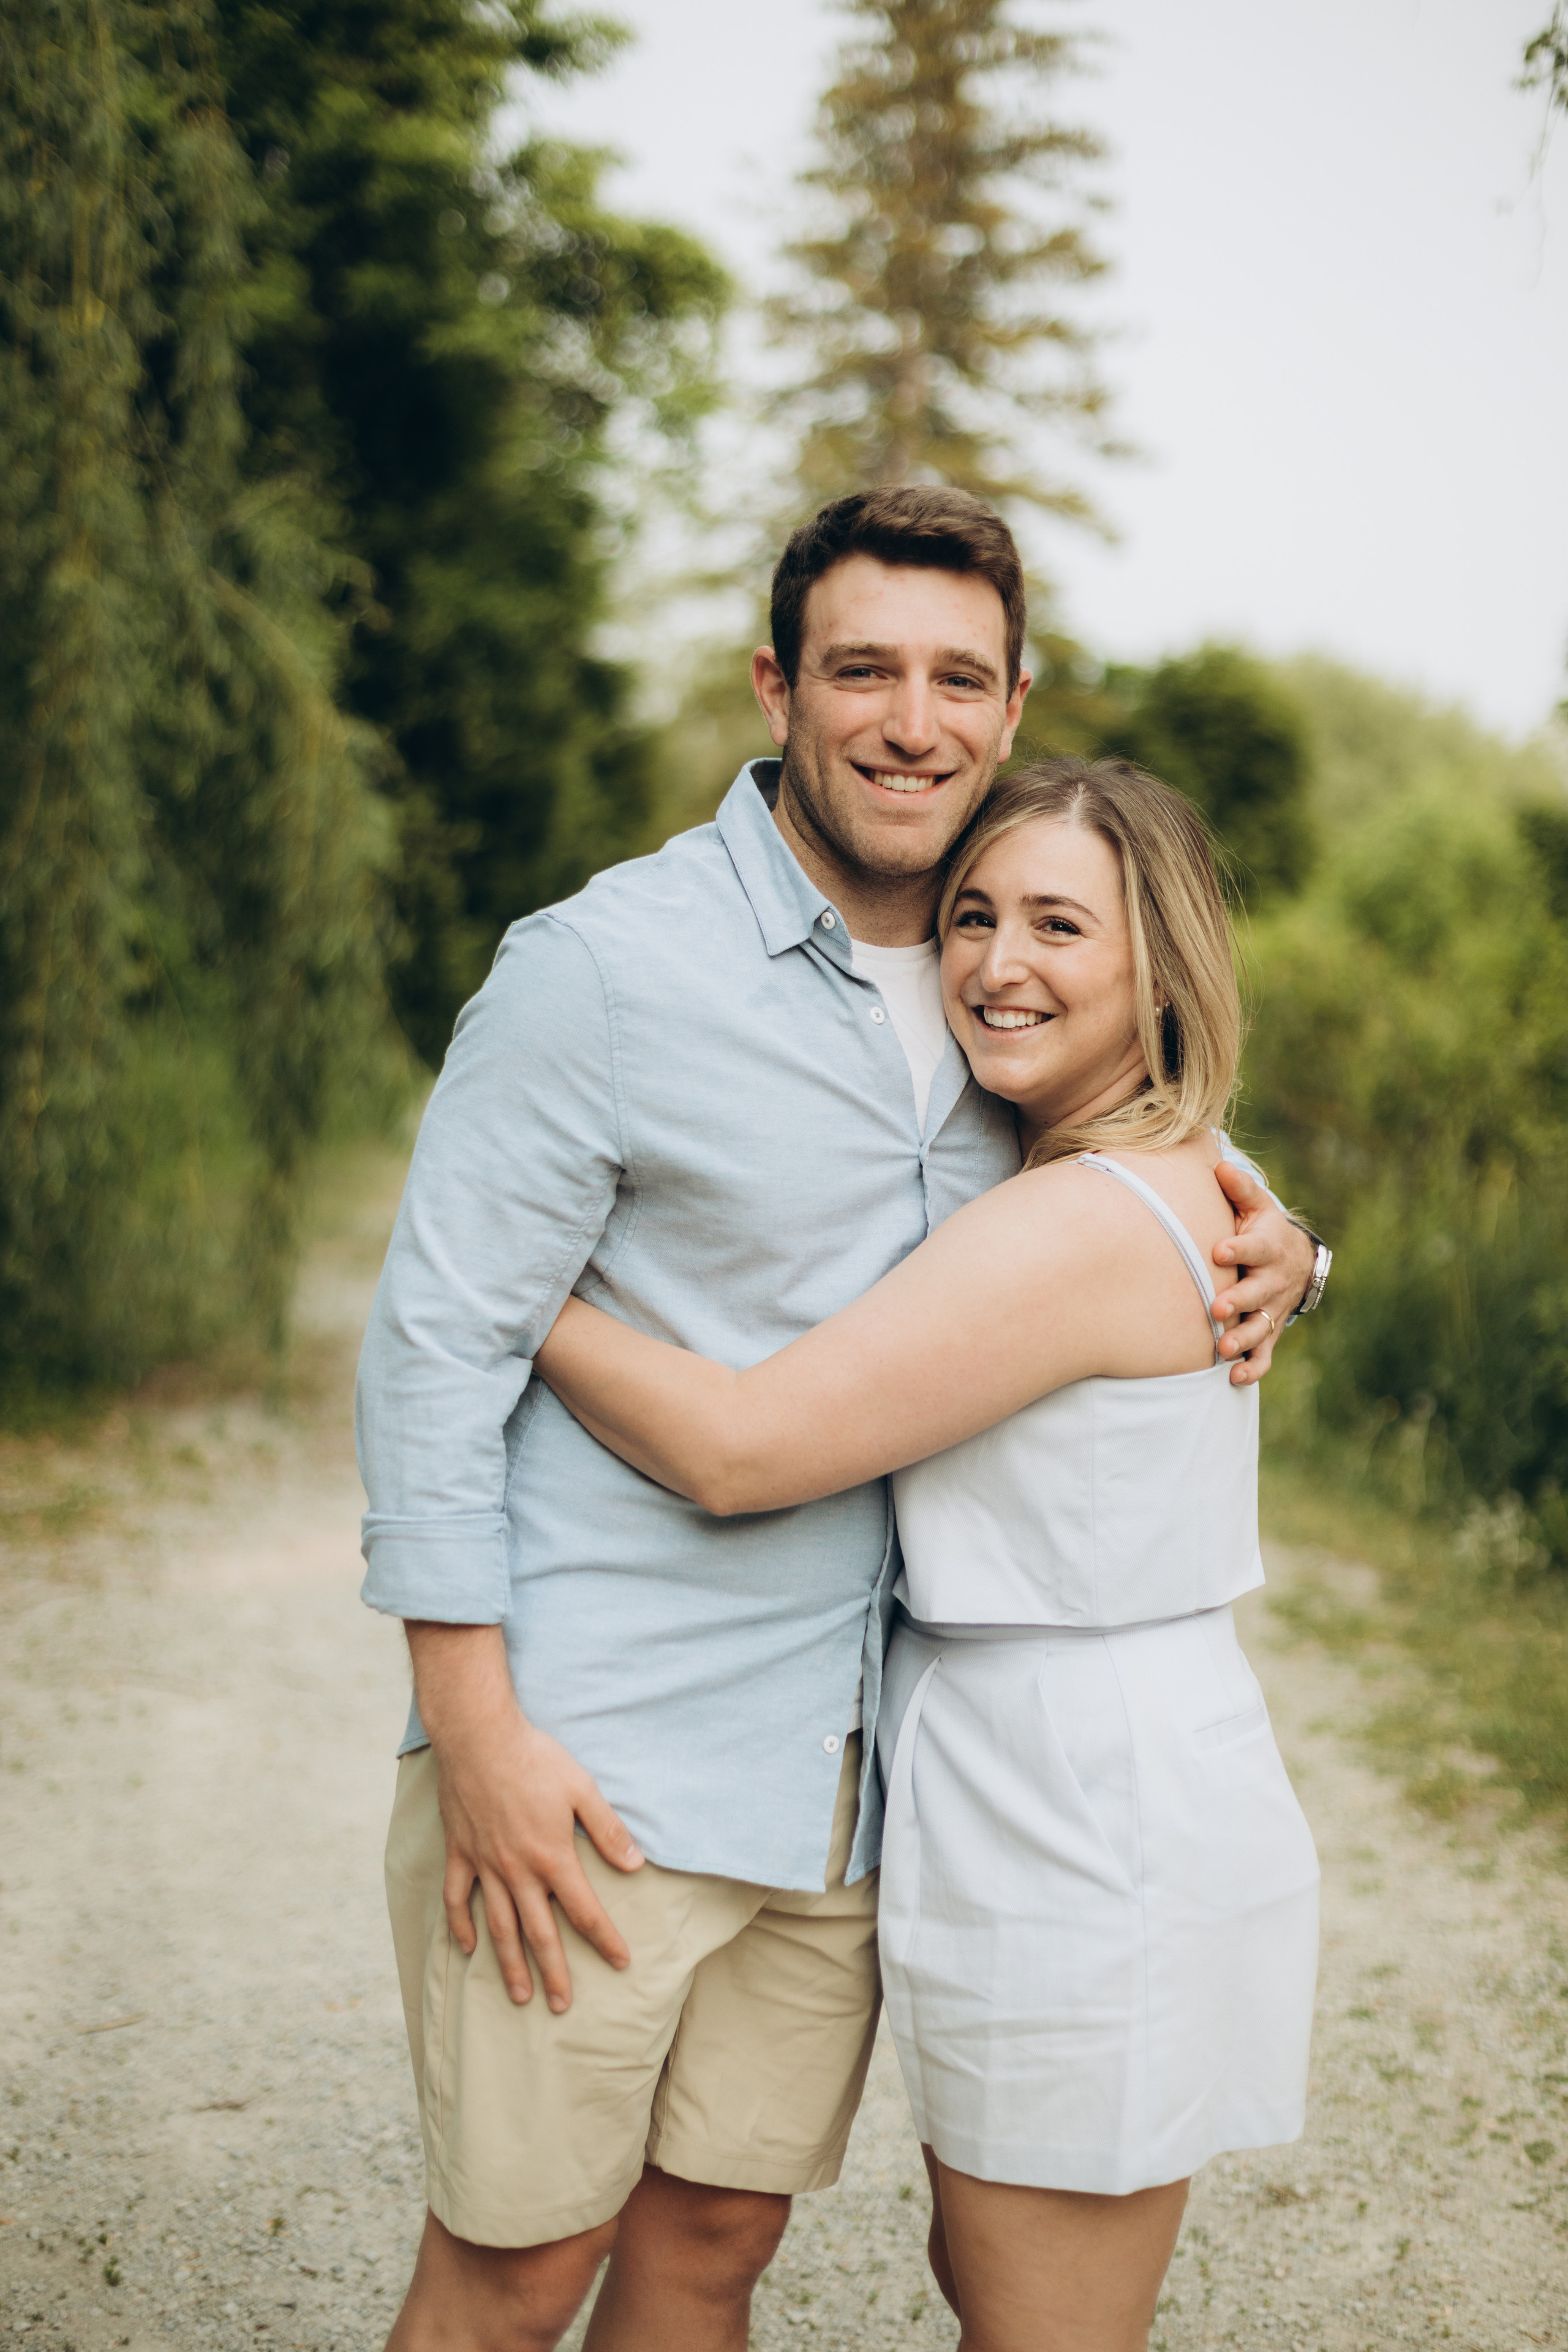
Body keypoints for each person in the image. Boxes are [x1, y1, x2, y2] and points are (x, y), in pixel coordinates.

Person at [356, 487, 1324, 2352]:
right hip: (598, 1757)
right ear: (775, 684)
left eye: (960, 677)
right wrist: (471, 1726)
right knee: (516, 2269)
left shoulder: (993, 1011)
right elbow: (430, 1357)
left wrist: (1296, 1239)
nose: (912, 718)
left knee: (713, 2246)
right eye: (863, 668)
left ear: (1015, 704)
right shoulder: (604, 969)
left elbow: (1140, 1157)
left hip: (848, 1795)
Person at [533, 755, 1321, 2352]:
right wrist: (1308, 1257)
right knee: (1008, 2280)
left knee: (1041, 2319)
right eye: (971, 918)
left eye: (1058, 926)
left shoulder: (1077, 1219)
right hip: (1045, 1769)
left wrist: (521, 1298)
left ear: (1162, 968)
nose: (997, 964)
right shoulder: (1147, 1178)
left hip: (1084, 1804)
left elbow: (744, 1448)